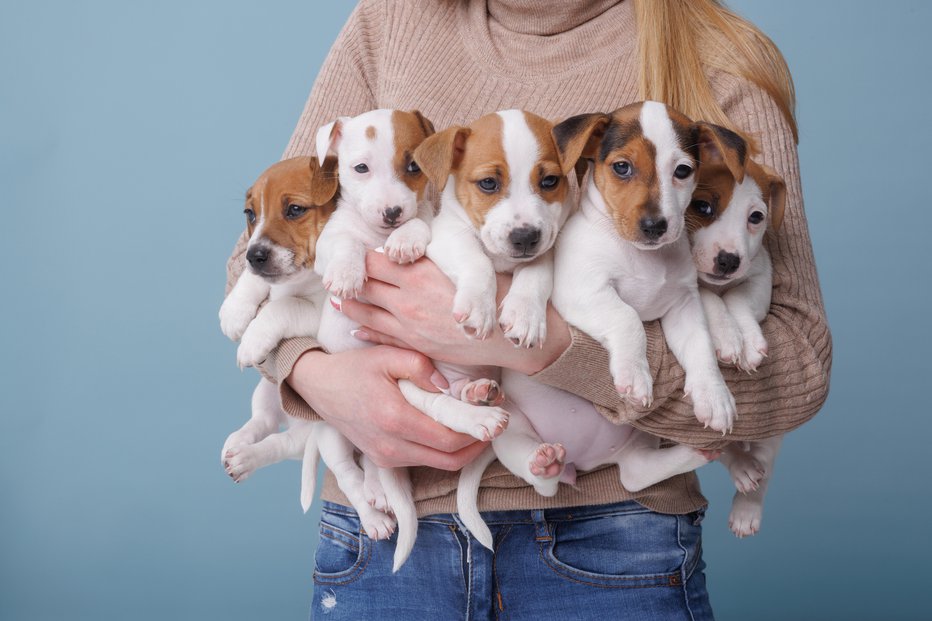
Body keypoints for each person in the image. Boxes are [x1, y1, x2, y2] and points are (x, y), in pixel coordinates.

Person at [224, 1, 831, 618]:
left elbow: (800, 366)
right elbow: (267, 249)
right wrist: (320, 377)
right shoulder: (390, 21)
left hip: (615, 537)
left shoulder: (720, 53)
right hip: (380, 526)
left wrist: (544, 350)